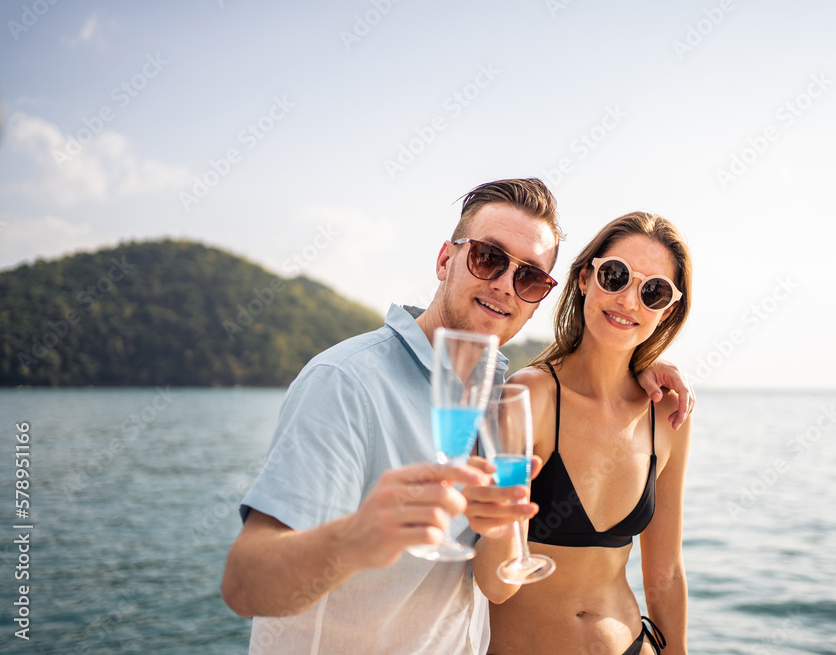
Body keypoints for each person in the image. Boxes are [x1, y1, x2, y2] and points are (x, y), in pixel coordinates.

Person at [221, 180, 695, 654]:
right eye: (488, 257)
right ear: (445, 259)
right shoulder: (348, 382)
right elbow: (245, 584)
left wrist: (636, 360)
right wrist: (357, 537)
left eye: (529, 277)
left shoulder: (493, 393)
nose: (505, 285)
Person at [487, 212, 694, 655]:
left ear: (668, 308)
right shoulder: (529, 397)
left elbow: (666, 575)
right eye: (615, 276)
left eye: (653, 291)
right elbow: (495, 581)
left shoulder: (668, 411)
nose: (628, 301)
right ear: (585, 277)